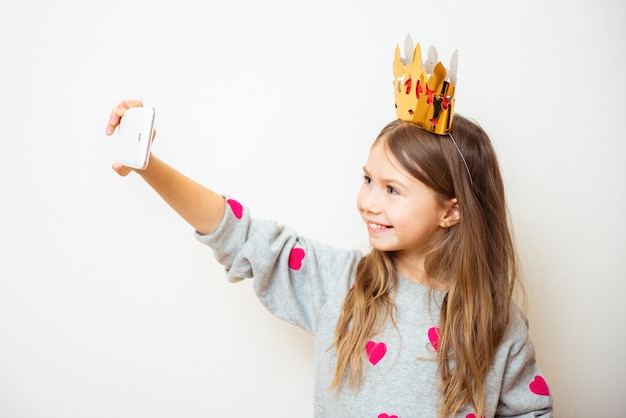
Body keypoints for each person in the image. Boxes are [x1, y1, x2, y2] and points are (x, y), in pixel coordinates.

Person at [104, 40, 552, 418]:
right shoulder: (340, 284)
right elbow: (236, 232)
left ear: (450, 211)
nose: (368, 201)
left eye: (393, 190)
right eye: (367, 180)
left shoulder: (497, 322)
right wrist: (148, 165)